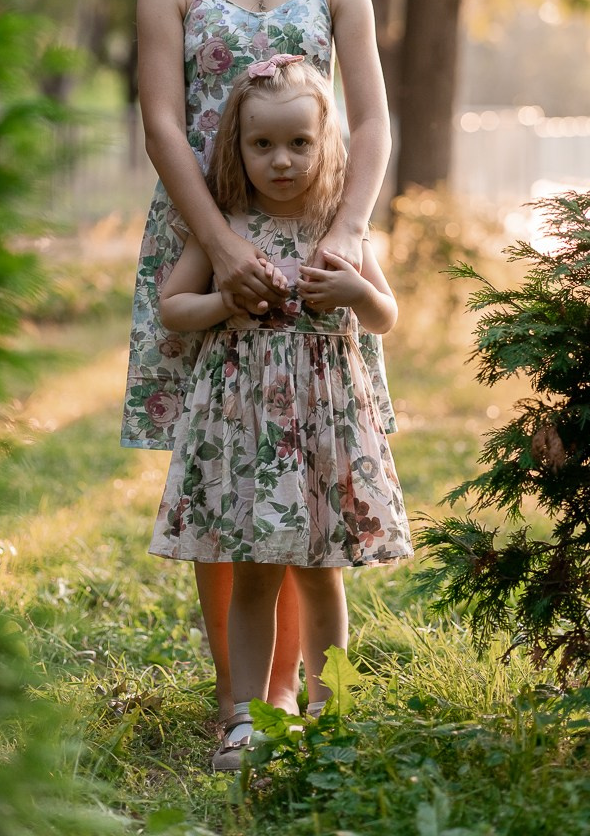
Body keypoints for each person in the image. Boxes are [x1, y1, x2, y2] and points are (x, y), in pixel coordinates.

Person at [121, 0, 396, 722]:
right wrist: (222, 248)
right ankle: (251, 695)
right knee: (223, 461)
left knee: (305, 458)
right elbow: (162, 123)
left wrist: (351, 234)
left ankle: (303, 692)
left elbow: (372, 121)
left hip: (315, 235)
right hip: (205, 224)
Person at [149, 57, 413, 771]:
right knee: (254, 570)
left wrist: (356, 290)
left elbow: (385, 317)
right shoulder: (227, 229)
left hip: (324, 427)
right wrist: (224, 301)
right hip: (248, 432)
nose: (282, 160)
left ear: (325, 142)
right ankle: (245, 715)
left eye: (299, 142)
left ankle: (333, 712)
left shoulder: (339, 226)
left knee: (323, 572)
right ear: (236, 146)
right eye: (262, 145)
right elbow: (173, 309)